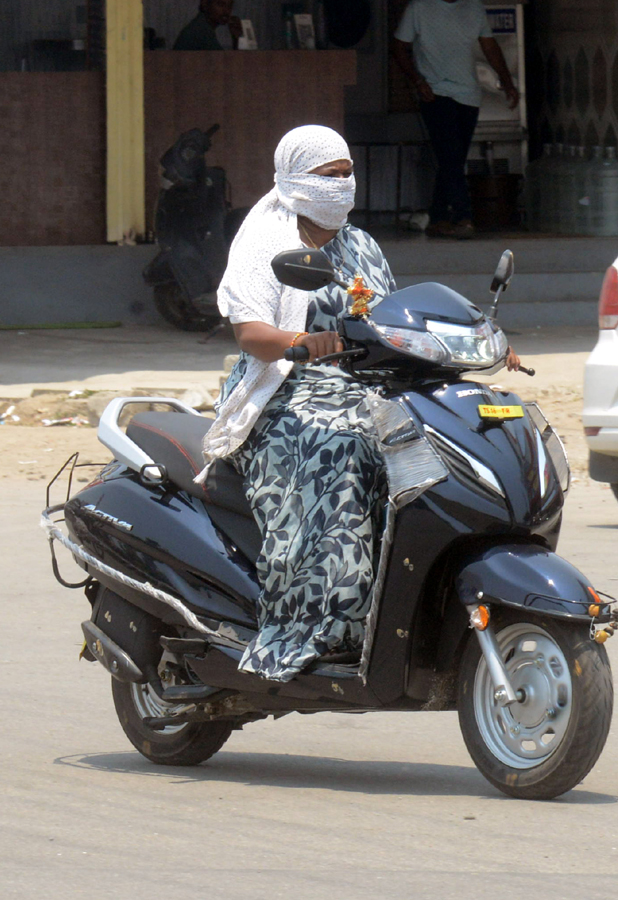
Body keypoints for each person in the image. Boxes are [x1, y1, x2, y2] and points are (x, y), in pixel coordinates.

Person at [196, 124, 520, 683]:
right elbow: (250, 333)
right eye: (330, 175)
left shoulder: (360, 243)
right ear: (295, 179)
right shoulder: (265, 244)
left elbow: (397, 321)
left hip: (365, 384)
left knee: (437, 441)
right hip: (288, 389)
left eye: (348, 173)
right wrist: (302, 343)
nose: (344, 184)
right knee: (343, 449)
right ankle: (319, 621)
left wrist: (483, 340)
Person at [392, 0, 519, 239]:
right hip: (435, 93)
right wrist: (417, 81)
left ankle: (438, 217)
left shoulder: (474, 8)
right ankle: (463, 216)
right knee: (450, 157)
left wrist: (507, 81)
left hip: (468, 95)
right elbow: (399, 47)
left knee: (452, 159)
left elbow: (490, 46)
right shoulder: (418, 8)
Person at [173, 0, 243, 51]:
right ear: (205, 3)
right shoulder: (200, 30)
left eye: (230, 6)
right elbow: (226, 65)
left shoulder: (201, 25)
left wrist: (235, 38)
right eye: (220, 4)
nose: (226, 11)